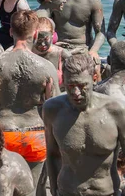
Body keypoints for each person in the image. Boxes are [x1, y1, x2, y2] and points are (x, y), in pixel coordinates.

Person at [0, 10, 59, 196]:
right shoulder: (45, 67)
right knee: (31, 190)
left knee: (0, 188)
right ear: (36, 34)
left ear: (11, 32)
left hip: (4, 134)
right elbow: (56, 105)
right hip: (35, 135)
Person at [44, 54, 125, 196]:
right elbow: (52, 154)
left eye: (82, 86)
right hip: (67, 191)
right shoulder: (52, 109)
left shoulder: (116, 110)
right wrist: (53, 190)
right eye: (70, 86)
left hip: (106, 192)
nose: (76, 93)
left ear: (94, 78)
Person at [32, 17, 71, 90]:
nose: (43, 44)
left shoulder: (62, 54)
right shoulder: (28, 53)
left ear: (53, 34)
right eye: (39, 40)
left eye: (46, 39)